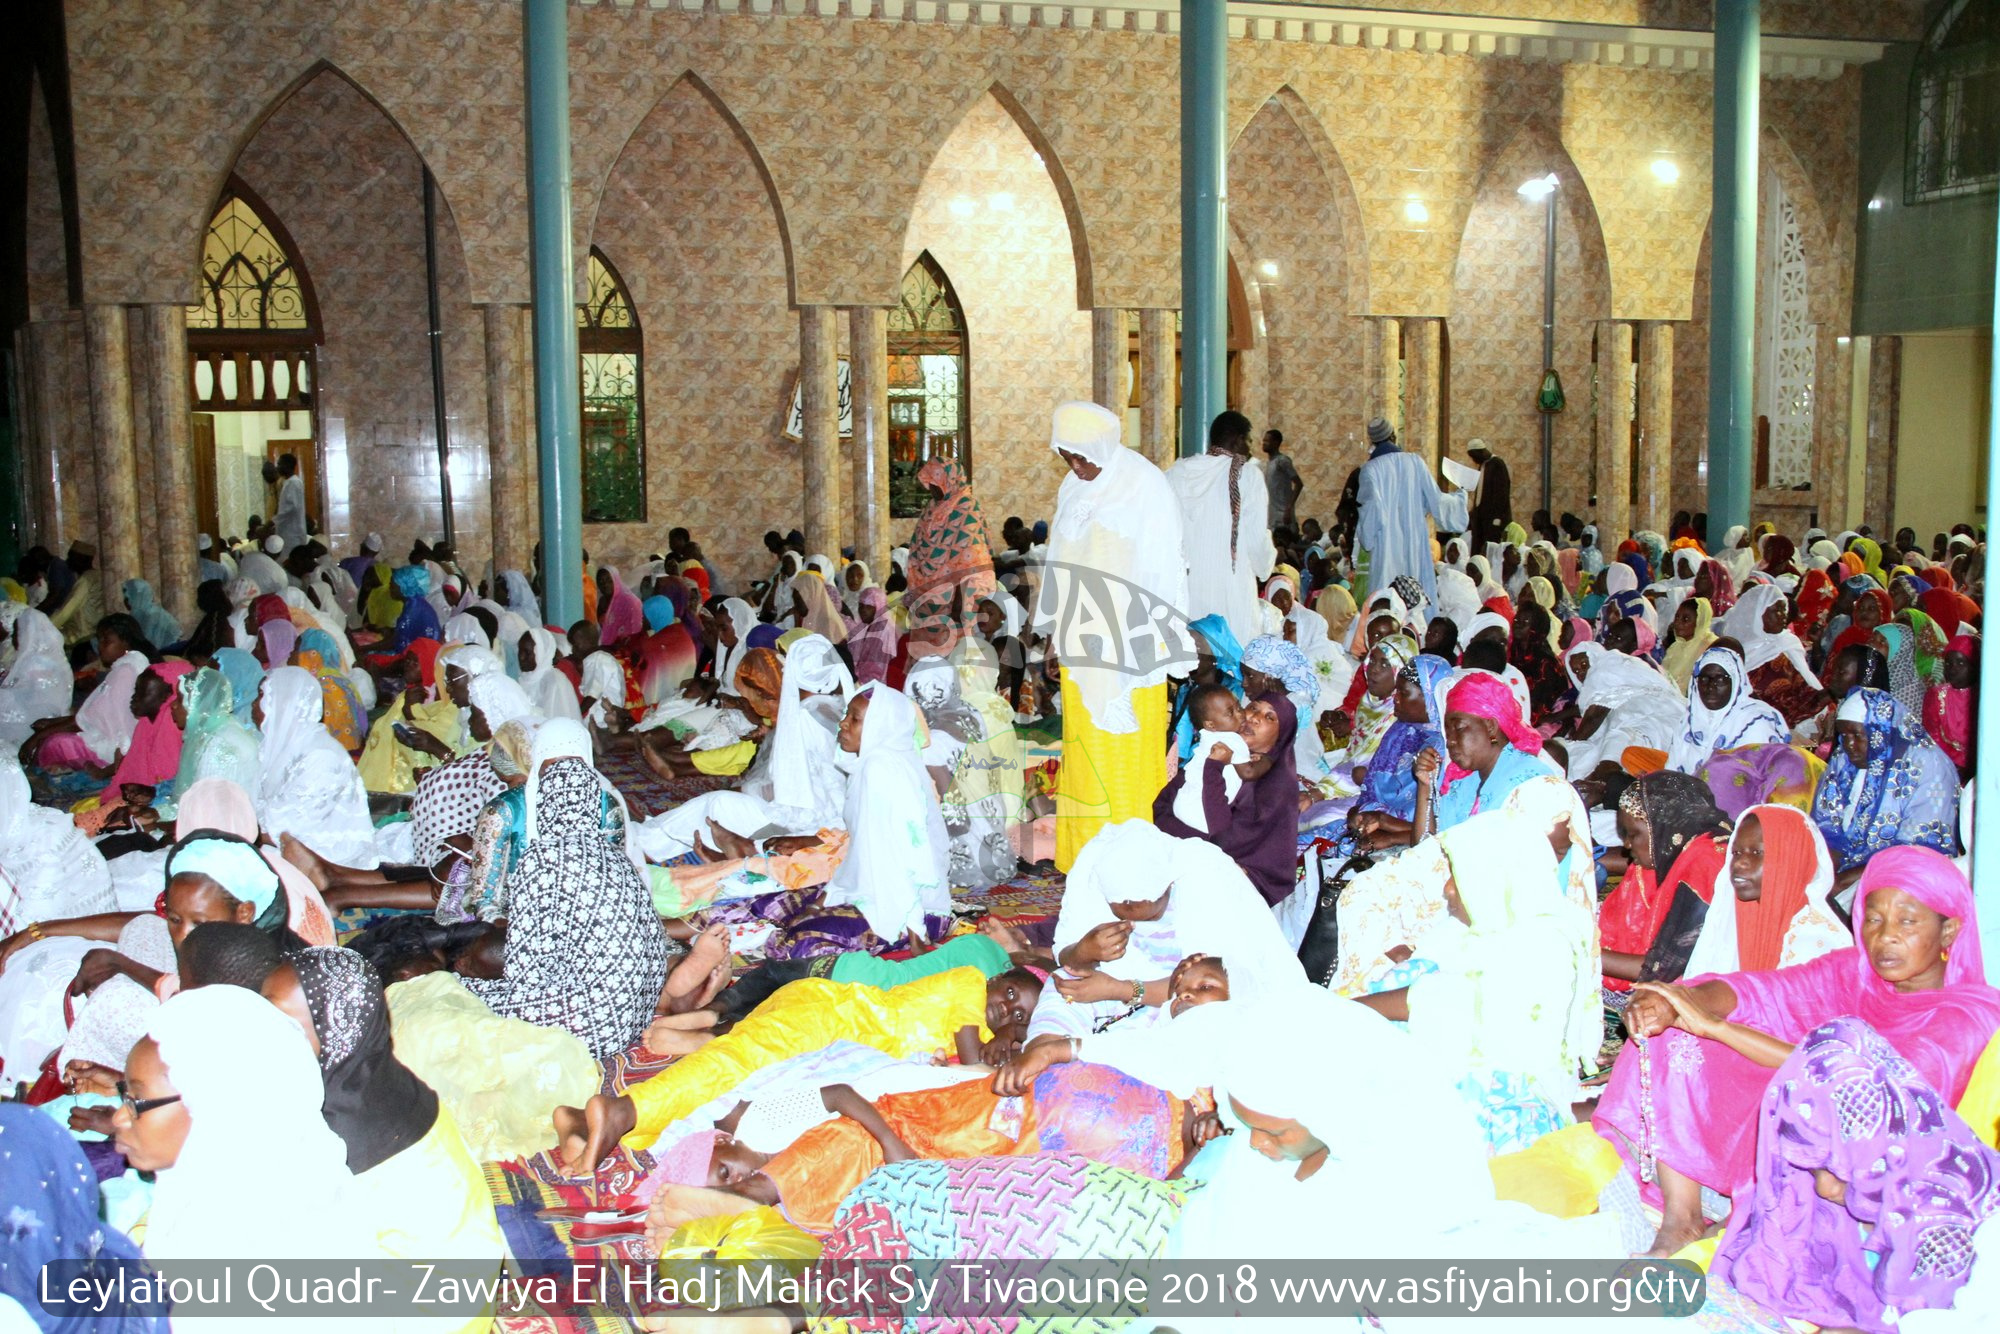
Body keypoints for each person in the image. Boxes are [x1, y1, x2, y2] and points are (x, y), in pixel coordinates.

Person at [1594, 846, 2000, 1258]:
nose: (1886, 936)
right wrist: (1680, 1002)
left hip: (1873, 1166)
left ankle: (1752, 1219)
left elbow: (1865, 1088)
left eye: (1907, 921)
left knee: (1807, 1103)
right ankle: (1682, 1220)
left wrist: (1718, 1028)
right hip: (1808, 1105)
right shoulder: (1855, 972)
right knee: (1679, 1032)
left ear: (1949, 931)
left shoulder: (1967, 1017)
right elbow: (1762, 991)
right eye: (1874, 919)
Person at [1712, 1015, 2000, 1332]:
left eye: (1843, 1166)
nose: (1824, 1188)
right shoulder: (1831, 1199)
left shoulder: (1963, 1222)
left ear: (1888, 1148)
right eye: (1813, 1166)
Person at [1353, 807, 1600, 1155]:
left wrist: (1345, 1011)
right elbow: (1419, 977)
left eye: (1458, 875)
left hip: (1507, 1101)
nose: (1448, 889)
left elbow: (1436, 1000)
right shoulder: (1487, 923)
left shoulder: (1543, 944)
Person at [260, 947, 506, 1273]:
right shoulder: (377, 1081)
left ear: (336, 1032)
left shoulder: (339, 1137)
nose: (259, 1025)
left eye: (281, 1019)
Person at [1035, 402, 1191, 870]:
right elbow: (1059, 564)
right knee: (1085, 752)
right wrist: (1054, 634)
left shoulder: (1145, 485)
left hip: (1130, 643)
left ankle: (1131, 864)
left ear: (1104, 446)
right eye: (1067, 457)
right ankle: (1084, 858)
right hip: (1081, 641)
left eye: (1082, 457)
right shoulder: (1071, 488)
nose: (1076, 467)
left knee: (1124, 754)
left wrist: (1163, 642)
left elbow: (1166, 570)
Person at [463, 722, 672, 1058]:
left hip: (590, 1024)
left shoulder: (541, 859)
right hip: (635, 1014)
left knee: (463, 996)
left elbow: (527, 976)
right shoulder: (612, 853)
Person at [1152, 693, 1300, 907]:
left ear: (1281, 735)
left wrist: (1214, 768)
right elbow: (1163, 804)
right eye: (1253, 708)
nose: (1254, 718)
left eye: (1269, 717)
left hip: (1228, 886)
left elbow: (1222, 839)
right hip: (1175, 855)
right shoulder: (1216, 750)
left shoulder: (1275, 786)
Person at [1682, 804, 1850, 977]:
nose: (1739, 863)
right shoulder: (1738, 921)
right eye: (1736, 853)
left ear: (1791, 859)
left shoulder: (1816, 944)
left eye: (1757, 852)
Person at [1812, 687, 1960, 884]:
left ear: (1880, 731)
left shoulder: (1928, 765)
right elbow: (1827, 826)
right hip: (1846, 872)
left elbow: (1920, 850)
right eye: (1844, 735)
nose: (1849, 744)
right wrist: (1825, 877)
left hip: (1903, 876)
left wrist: (1842, 883)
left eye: (1857, 735)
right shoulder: (1844, 761)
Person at [1168, 410, 1276, 648]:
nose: (1250, 449)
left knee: (1194, 655)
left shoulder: (1176, 473)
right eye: (1249, 441)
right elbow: (1257, 539)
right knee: (1234, 655)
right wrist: (1266, 566)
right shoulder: (1248, 476)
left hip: (1188, 589)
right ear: (1238, 439)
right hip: (1231, 588)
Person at [1354, 416, 1467, 606]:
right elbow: (1437, 500)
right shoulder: (1415, 462)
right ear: (1393, 435)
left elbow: (1370, 514)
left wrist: (1366, 538)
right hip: (1414, 542)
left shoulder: (1370, 470)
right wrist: (1460, 497)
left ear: (1372, 440)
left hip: (1386, 546)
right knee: (1417, 595)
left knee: (1387, 599)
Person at [903, 458, 997, 656]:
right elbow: (916, 551)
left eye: (935, 483)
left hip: (955, 599)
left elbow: (972, 561)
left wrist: (960, 600)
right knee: (926, 657)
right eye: (929, 483)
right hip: (927, 599)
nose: (931, 488)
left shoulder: (966, 508)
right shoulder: (931, 509)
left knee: (954, 656)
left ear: (949, 480)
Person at [0, 608, 72, 747]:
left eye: (17, 633)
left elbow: (32, 701)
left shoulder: (36, 664)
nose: (13, 638)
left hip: (31, 724)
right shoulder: (53, 660)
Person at [1465, 438, 1512, 549]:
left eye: (1474, 456)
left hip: (1493, 519)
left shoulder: (1497, 464)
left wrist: (1497, 518)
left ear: (1482, 452)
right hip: (1481, 518)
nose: (1473, 460)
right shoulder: (1483, 465)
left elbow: (1502, 493)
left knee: (1490, 549)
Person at [1262, 427, 1301, 532]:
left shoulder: (1282, 461)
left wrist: (1289, 507)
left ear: (1275, 443)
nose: (1264, 443)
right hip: (1272, 514)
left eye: (1267, 441)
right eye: (1263, 440)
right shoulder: (1269, 463)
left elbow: (1298, 483)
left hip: (1283, 513)